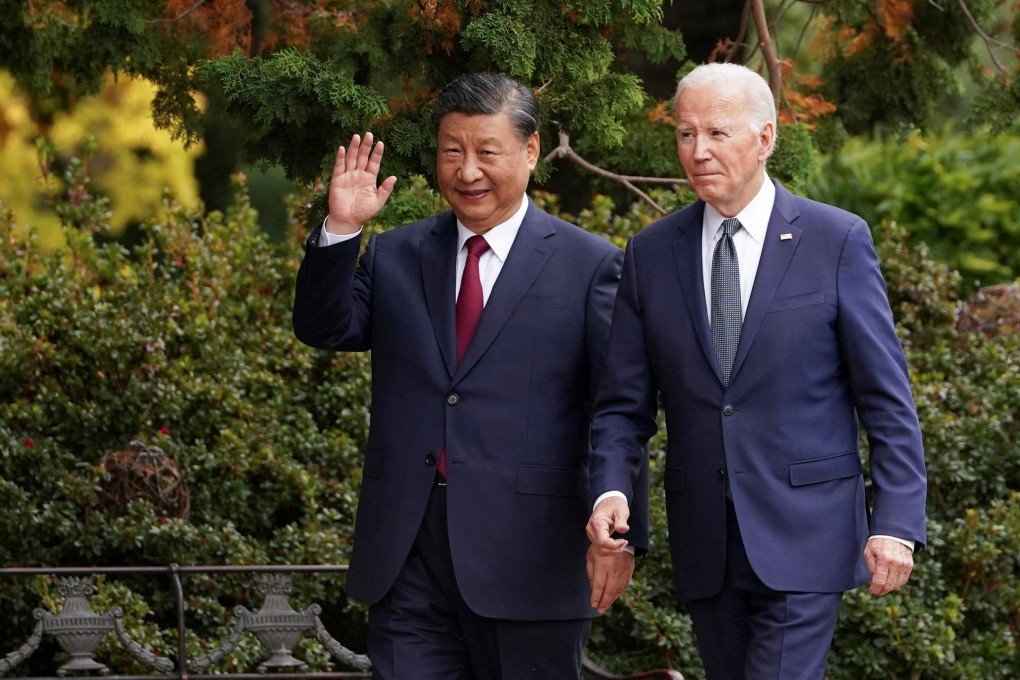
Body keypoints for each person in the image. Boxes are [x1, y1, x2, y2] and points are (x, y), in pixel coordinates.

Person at [585, 62, 928, 680]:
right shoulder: (651, 253)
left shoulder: (837, 240)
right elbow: (622, 406)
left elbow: (886, 398)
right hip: (706, 543)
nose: (698, 151)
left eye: (717, 133)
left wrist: (898, 522)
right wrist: (610, 490)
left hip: (808, 534)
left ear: (765, 138)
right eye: (686, 135)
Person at [293, 72, 630, 679]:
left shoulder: (591, 266)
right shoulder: (397, 254)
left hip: (531, 557)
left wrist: (623, 526)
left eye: (486, 152)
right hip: (410, 551)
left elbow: (619, 407)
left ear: (530, 152)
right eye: (453, 151)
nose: (467, 170)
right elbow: (326, 326)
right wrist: (342, 229)